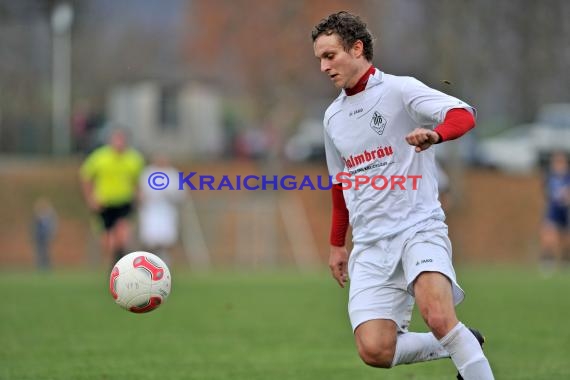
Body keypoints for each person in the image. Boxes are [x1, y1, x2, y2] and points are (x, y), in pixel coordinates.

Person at [312, 11, 494, 379]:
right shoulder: (333, 117)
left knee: (439, 316)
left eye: (330, 55)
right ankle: (463, 341)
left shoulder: (399, 90)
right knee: (375, 349)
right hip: (371, 246)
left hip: (417, 229)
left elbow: (463, 114)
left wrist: (436, 134)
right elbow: (339, 183)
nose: (323, 66)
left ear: (357, 48)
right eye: (319, 58)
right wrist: (337, 244)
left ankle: (466, 354)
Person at [80, 128, 145, 269]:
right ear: (110, 141)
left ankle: (121, 264)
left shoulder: (134, 159)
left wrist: (139, 195)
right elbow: (86, 177)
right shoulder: (99, 157)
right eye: (116, 140)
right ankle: (114, 266)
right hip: (104, 203)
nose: (119, 143)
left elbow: (137, 180)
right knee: (108, 241)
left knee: (122, 236)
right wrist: (90, 199)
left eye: (122, 140)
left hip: (124, 201)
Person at [138, 154, 186, 265]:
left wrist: (169, 195)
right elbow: (140, 192)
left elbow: (181, 194)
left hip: (167, 212)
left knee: (166, 240)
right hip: (150, 212)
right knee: (151, 240)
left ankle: (165, 263)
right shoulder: (147, 173)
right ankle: (150, 262)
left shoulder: (174, 174)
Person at [539, 151, 570, 271]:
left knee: (567, 239)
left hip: (566, 211)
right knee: (548, 235)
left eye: (560, 162)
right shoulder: (550, 177)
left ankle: (566, 261)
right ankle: (548, 261)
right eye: (556, 162)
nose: (558, 165)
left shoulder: (568, 177)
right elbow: (547, 193)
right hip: (553, 210)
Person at [31, 197, 57, 271]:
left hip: (46, 237)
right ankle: (40, 266)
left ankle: (47, 266)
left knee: (46, 252)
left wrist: (51, 234)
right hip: (39, 237)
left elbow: (52, 226)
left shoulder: (49, 216)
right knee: (39, 252)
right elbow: (34, 228)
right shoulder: (37, 216)